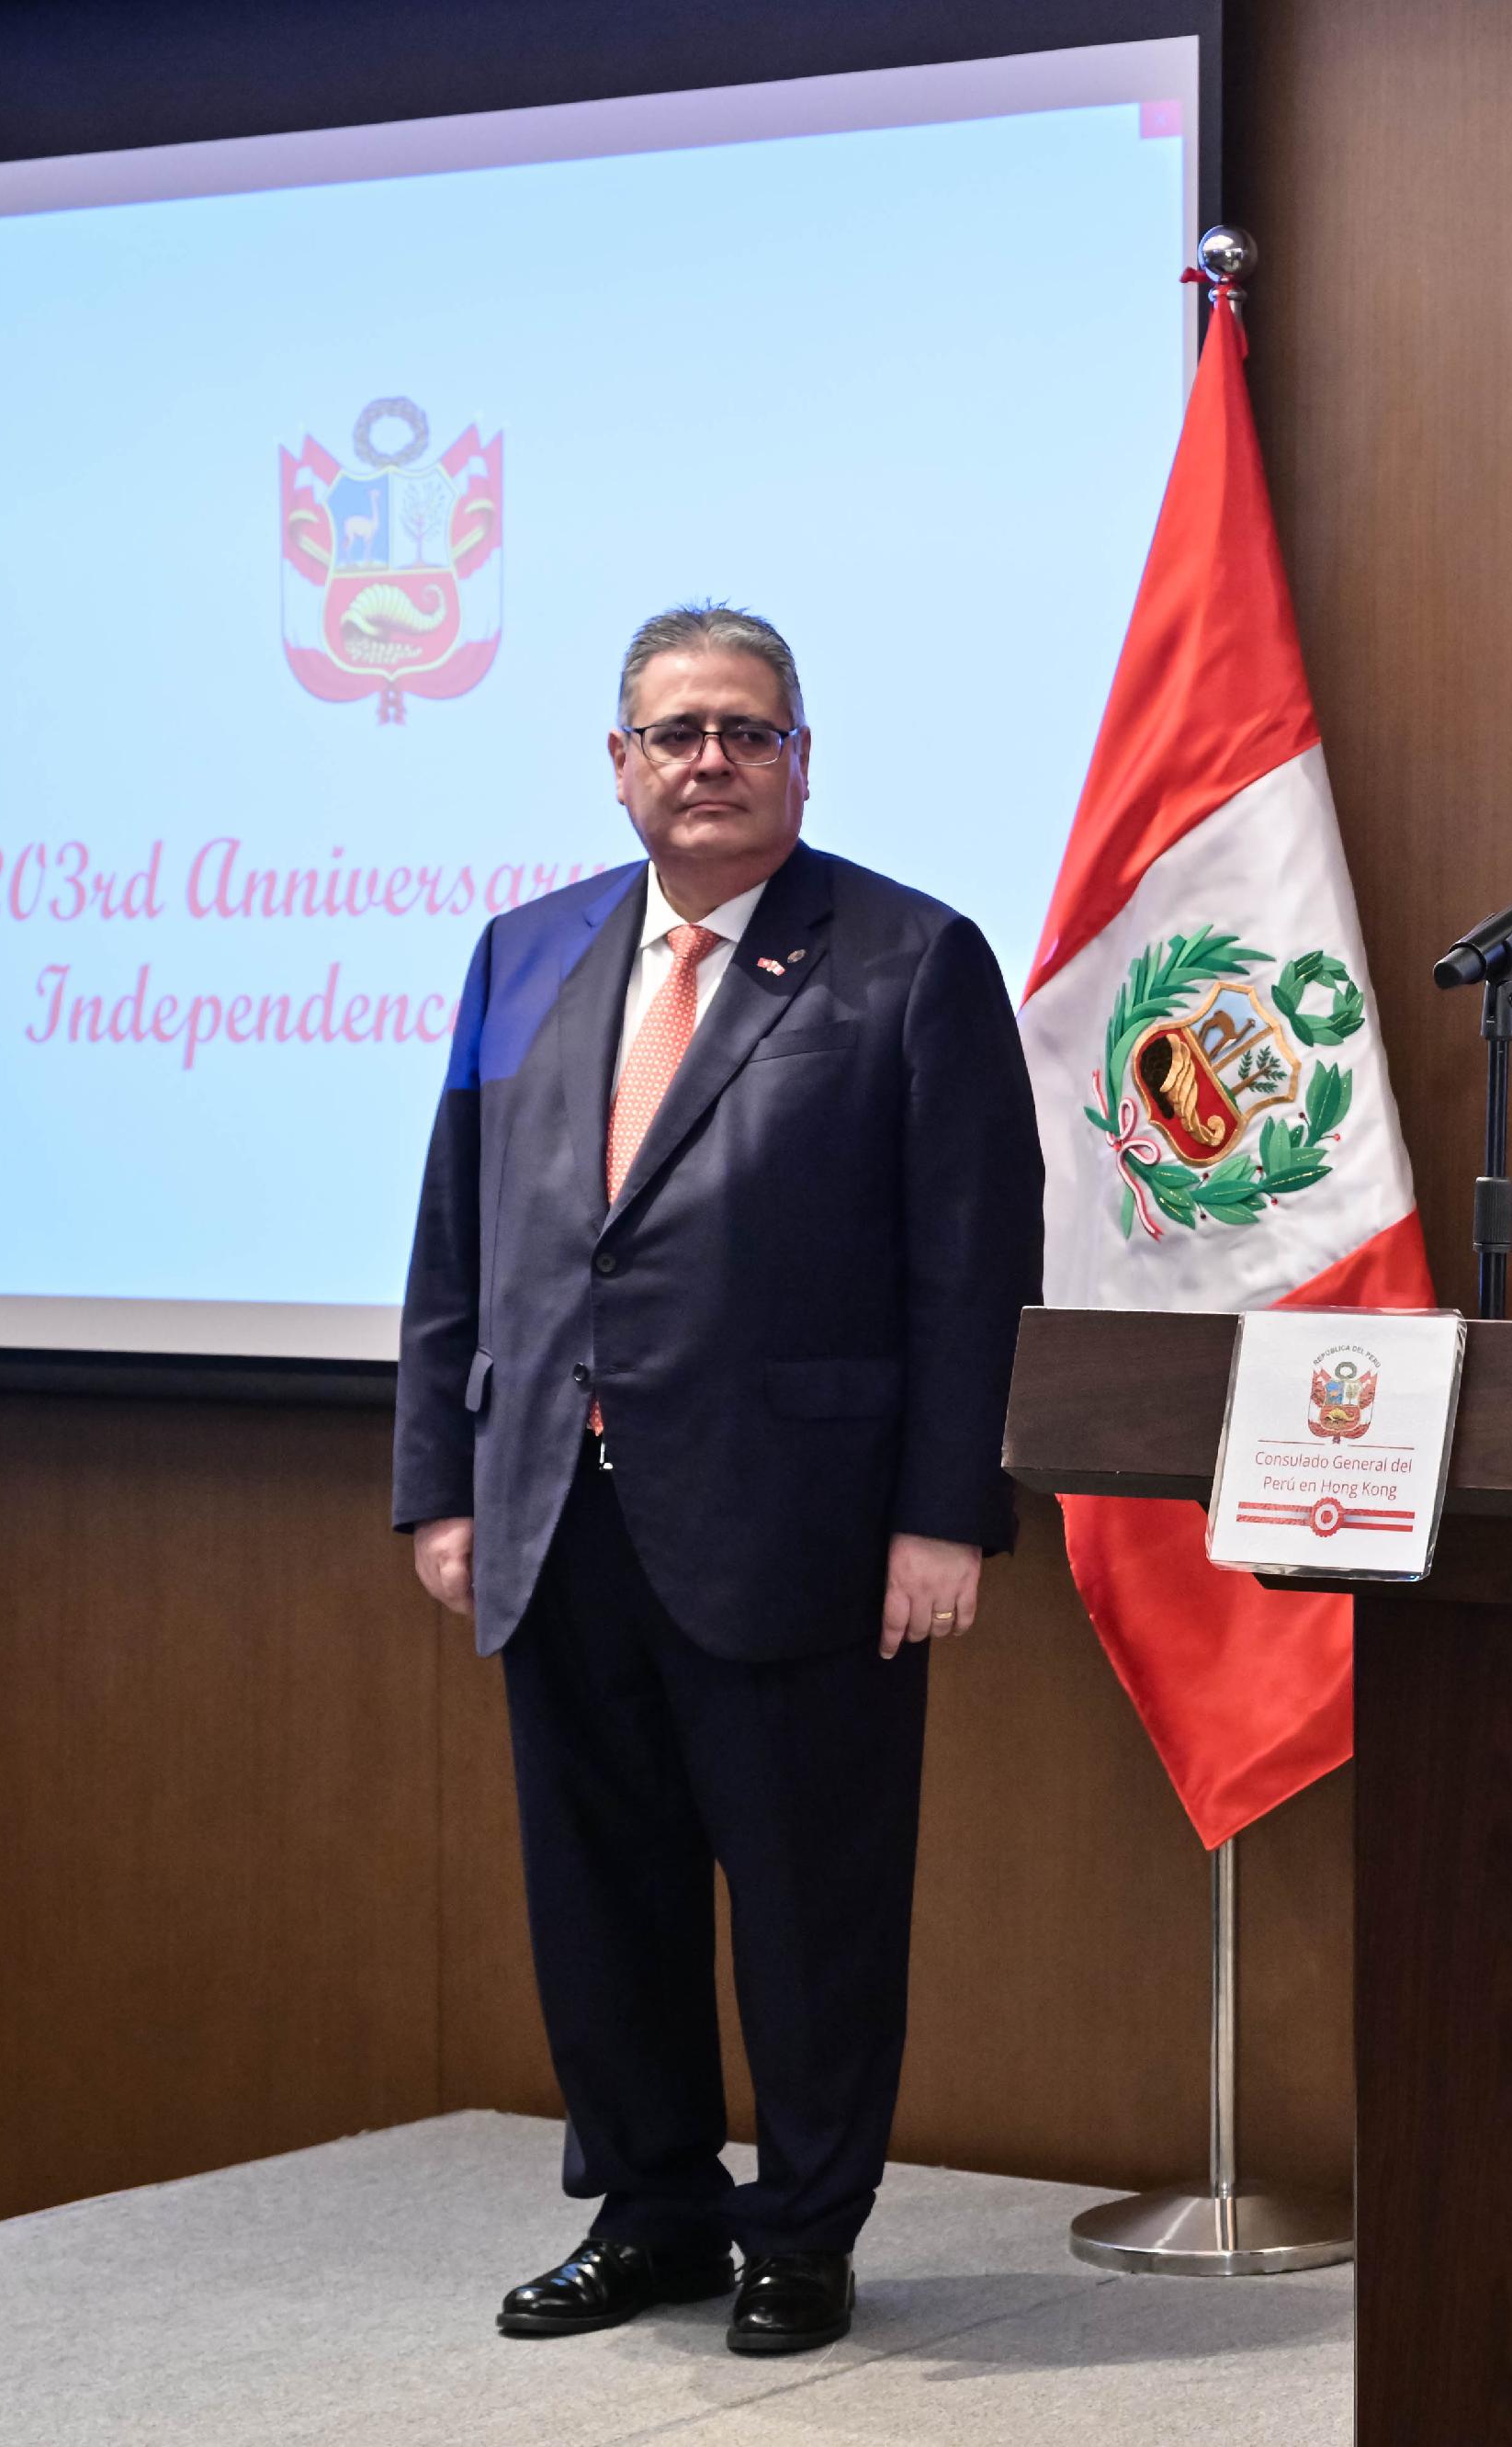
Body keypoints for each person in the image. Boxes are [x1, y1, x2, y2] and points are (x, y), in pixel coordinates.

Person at [390, 603, 1041, 2356]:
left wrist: (942, 1513)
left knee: (816, 1906)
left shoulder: (911, 958)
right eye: (675, 732)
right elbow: (461, 1234)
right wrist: (440, 1484)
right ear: (618, 766)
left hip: (807, 1529)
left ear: (801, 760)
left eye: (747, 731)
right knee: (600, 1891)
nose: (709, 761)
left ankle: (808, 2230)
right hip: (556, 1511)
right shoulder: (519, 959)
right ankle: (656, 2211)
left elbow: (971, 1271)